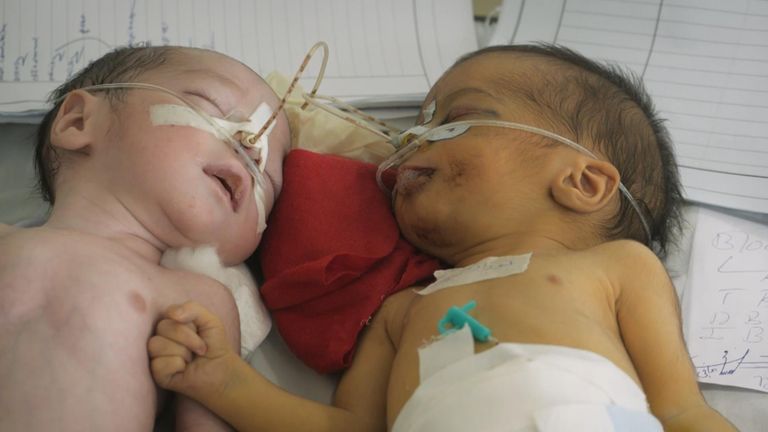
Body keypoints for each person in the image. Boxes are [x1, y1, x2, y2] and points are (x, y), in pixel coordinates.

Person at [147, 44, 737, 431]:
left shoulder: (617, 268)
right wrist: (224, 379)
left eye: (455, 119)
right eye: (417, 129)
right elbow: (349, 427)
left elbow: (682, 410)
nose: (411, 144)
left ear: (581, 182)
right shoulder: (402, 311)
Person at [0, 45, 290, 431]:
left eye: (268, 182)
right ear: (78, 123)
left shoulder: (199, 302)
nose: (252, 148)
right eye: (210, 105)